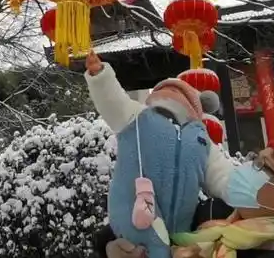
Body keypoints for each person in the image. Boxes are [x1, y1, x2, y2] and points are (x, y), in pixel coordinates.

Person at [98, 141, 274, 258]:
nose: (247, 168)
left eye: (262, 166)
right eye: (254, 158)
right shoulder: (209, 216)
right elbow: (126, 233)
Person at [85, 52, 235, 258]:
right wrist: (102, 78)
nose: (173, 98)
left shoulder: (200, 138)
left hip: (181, 236)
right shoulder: (139, 117)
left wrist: (246, 191)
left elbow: (222, 175)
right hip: (134, 224)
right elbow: (114, 102)